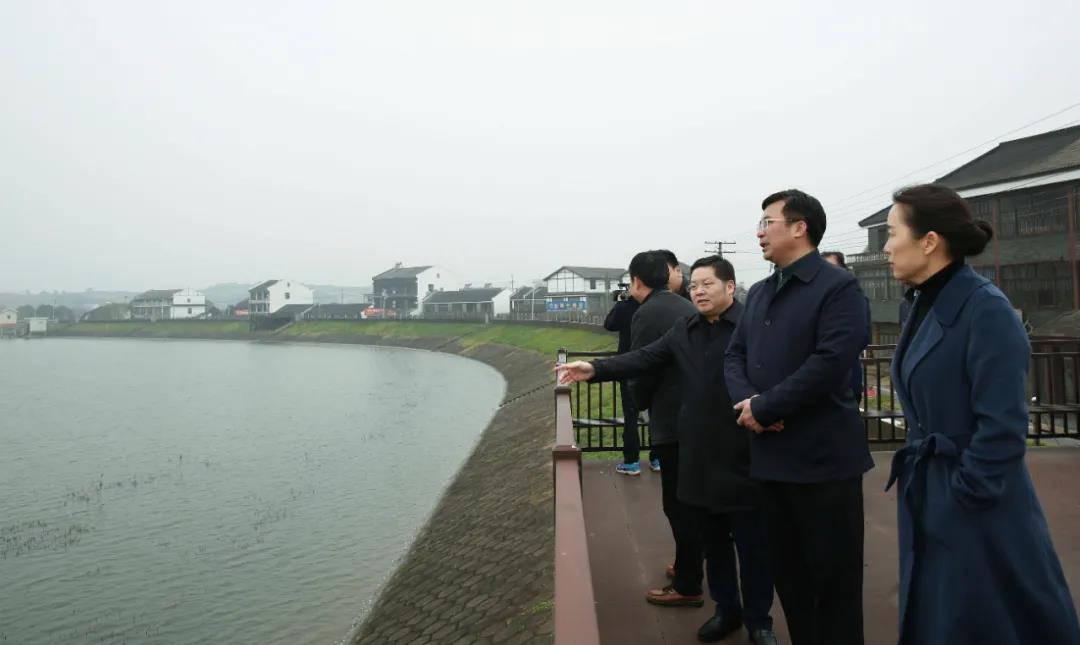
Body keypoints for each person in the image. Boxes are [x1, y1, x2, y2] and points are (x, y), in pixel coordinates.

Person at [882, 184, 1080, 645]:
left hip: (977, 504)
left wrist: (963, 495)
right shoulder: (921, 302)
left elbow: (1004, 427)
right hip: (931, 490)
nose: (886, 247)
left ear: (929, 241)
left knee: (984, 619)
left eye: (892, 233)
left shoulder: (987, 309)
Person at [557, 256, 778, 644]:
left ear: (730, 286)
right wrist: (594, 369)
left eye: (708, 284)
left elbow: (777, 372)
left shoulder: (753, 326)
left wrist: (775, 407)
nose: (699, 292)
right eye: (694, 286)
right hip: (700, 452)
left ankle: (760, 621)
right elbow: (645, 357)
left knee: (753, 545)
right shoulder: (685, 329)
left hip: (746, 451)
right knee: (714, 543)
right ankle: (726, 611)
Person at [725, 189, 872, 645]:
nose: (759, 232)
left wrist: (767, 407)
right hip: (771, 459)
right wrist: (750, 404)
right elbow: (735, 356)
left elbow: (830, 362)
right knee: (789, 578)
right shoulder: (761, 292)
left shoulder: (838, 288)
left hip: (823, 462)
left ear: (799, 227)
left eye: (767, 222)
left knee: (834, 582)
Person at [603, 287, 650, 475]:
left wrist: (620, 302)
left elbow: (609, 324)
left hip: (628, 366)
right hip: (653, 364)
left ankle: (632, 462)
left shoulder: (625, 306)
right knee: (656, 413)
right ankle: (657, 458)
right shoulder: (654, 305)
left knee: (631, 416)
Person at [823, 251, 871, 404]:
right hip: (815, 387)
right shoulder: (812, 302)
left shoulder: (856, 298)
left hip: (847, 383)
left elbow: (862, 338)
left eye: (833, 268)